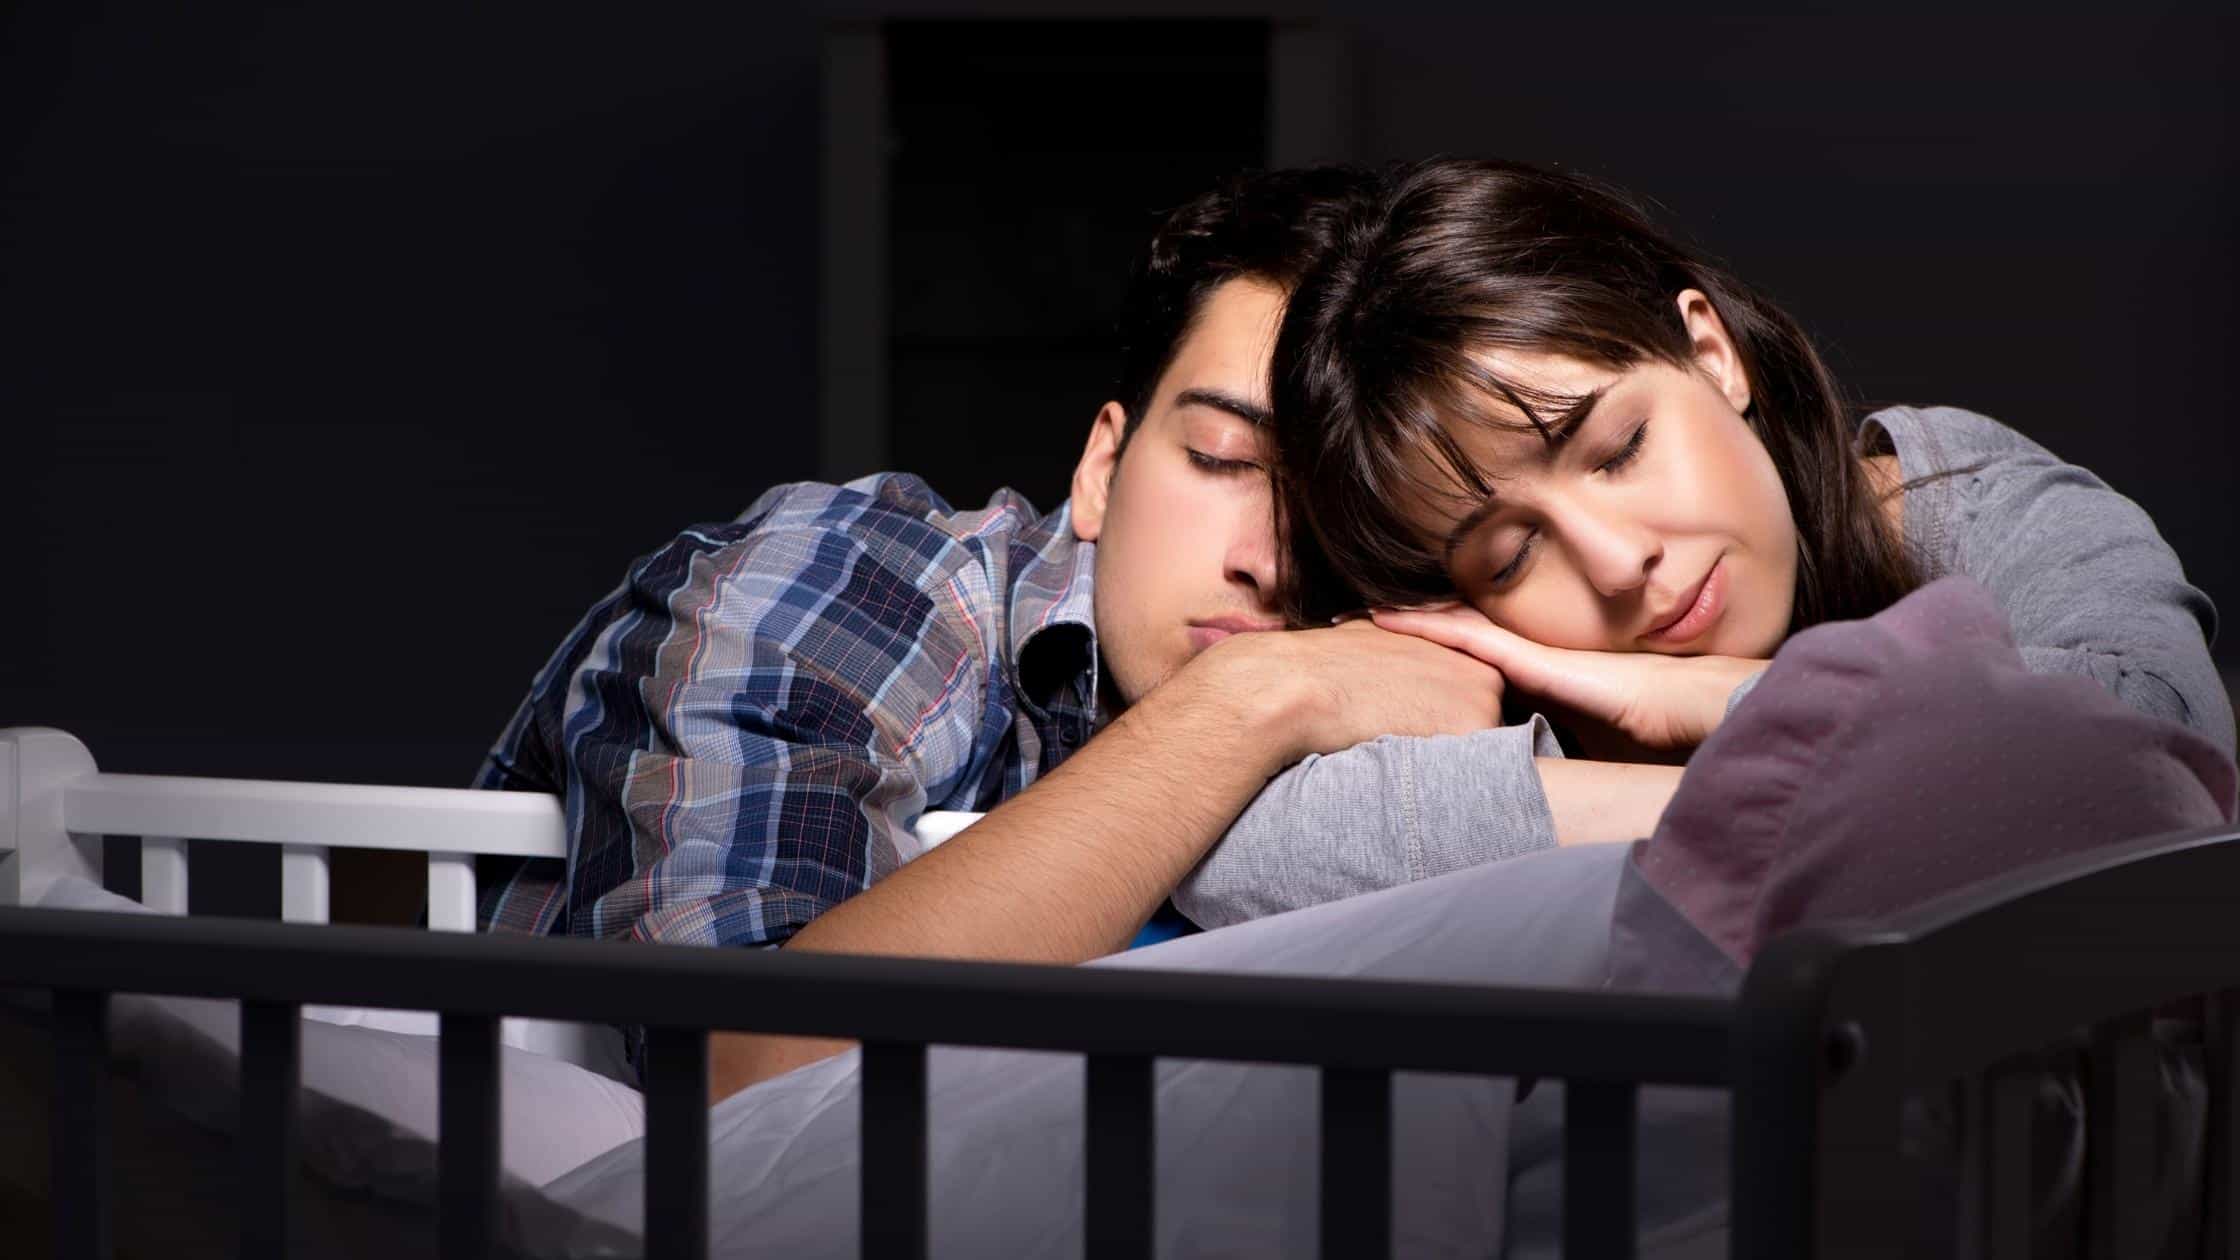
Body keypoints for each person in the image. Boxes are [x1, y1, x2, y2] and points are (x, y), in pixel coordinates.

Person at [470, 165, 1672, 1105]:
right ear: (1102, 466)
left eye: (1349, 515)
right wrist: (1249, 703)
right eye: (1220, 460)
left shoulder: (1429, 643)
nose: (1269, 556)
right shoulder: (856, 574)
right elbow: (750, 1077)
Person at [1171, 156, 2235, 928]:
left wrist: (1717, 702)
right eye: (1506, 556)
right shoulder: (1484, 662)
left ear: (1711, 352)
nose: (1612, 560)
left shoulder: (1955, 497)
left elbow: (2162, 751)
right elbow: (1231, 850)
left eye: (1620, 446)